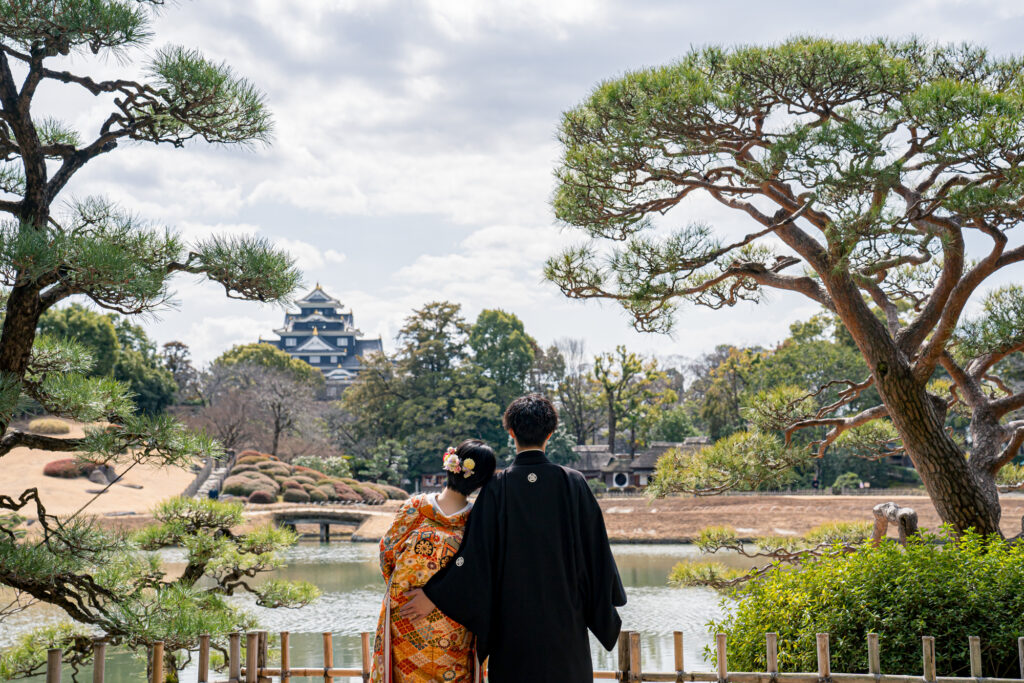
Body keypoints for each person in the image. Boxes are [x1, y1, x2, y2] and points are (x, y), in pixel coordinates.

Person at [404, 394, 626, 682]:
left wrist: (435, 594)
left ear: (511, 433)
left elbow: (473, 556)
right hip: (566, 629)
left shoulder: (497, 487)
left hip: (512, 632)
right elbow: (598, 553)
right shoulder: (573, 483)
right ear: (551, 433)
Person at [370, 439, 497, 683]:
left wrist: (402, 589)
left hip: (405, 617)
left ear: (450, 466)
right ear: (482, 481)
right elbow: (480, 577)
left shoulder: (414, 508)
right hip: (452, 628)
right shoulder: (478, 521)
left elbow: (387, 554)